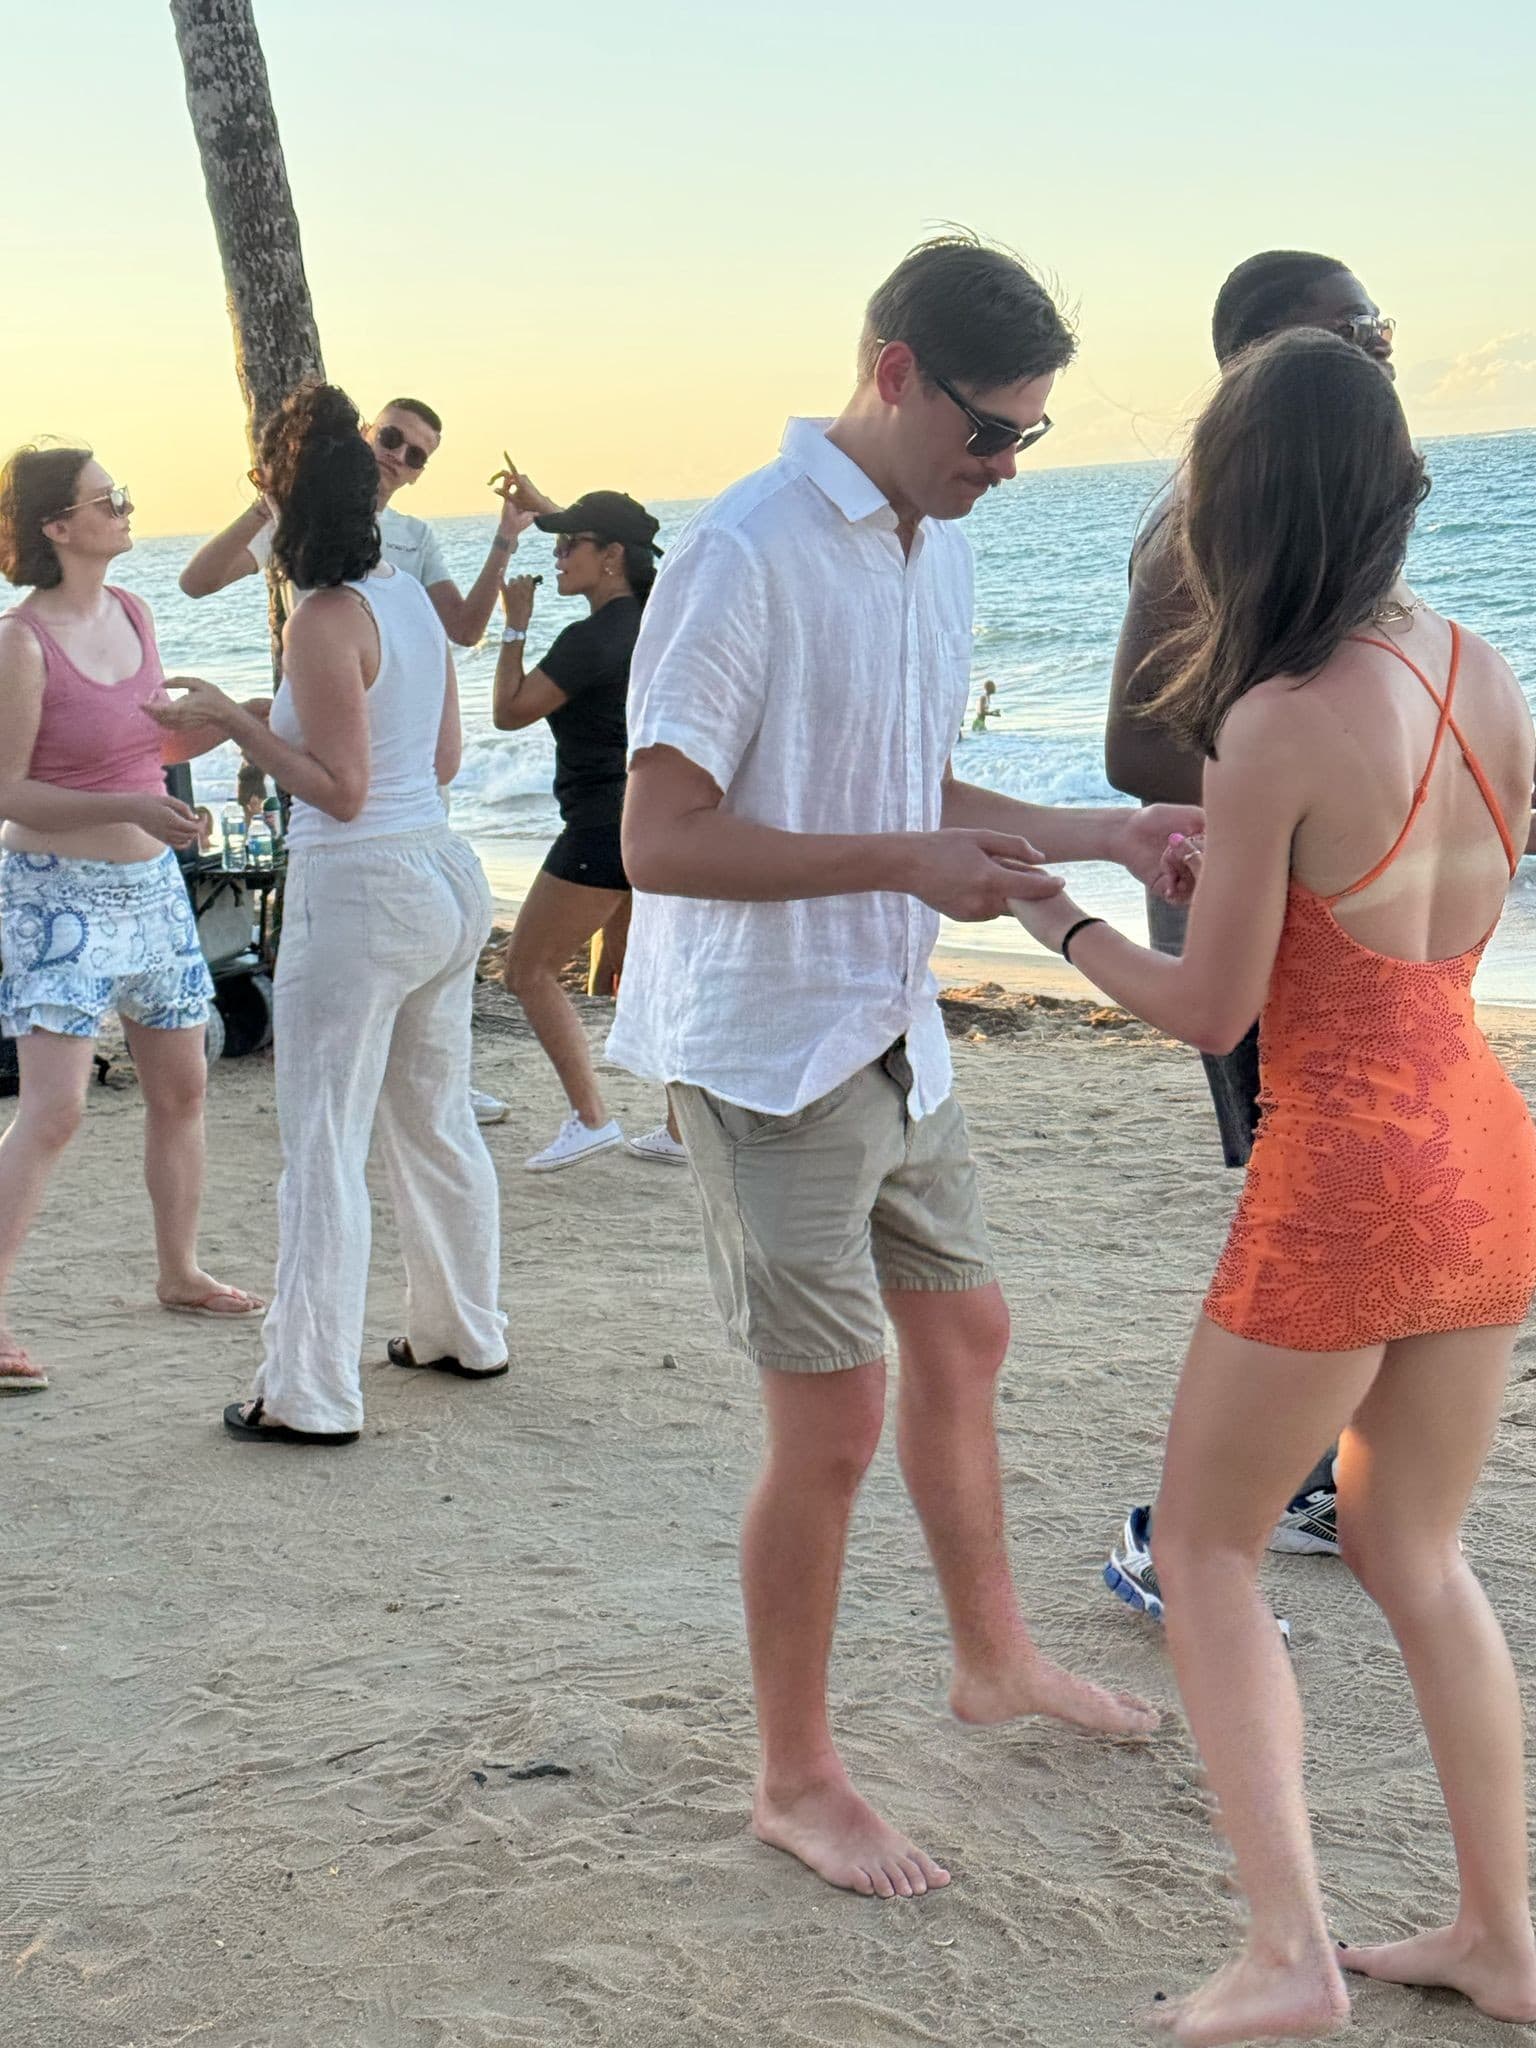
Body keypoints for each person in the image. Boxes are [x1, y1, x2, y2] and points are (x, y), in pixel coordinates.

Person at [608, 234, 1204, 1900]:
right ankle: (794, 1778)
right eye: (992, 431)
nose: (1010, 468)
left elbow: (901, 772)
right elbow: (661, 837)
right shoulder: (742, 550)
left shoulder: (923, 542)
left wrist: (1103, 829)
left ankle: (993, 1657)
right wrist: (899, 866)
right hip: (767, 1042)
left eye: (1029, 436)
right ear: (891, 374)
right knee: (832, 1422)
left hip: (889, 1018)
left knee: (970, 1331)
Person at [1010, 329, 1536, 2044]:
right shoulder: (1484, 662)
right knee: (1415, 1547)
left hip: (1347, 1175)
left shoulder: (1274, 719)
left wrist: (1055, 918)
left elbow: (1210, 1009)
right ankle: (1501, 1935)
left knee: (1216, 1546)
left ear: (1231, 513)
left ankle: (1288, 1951)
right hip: (1482, 1144)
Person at [1101, 251, 1398, 1609]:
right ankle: (1225, 1508)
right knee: (1305, 1210)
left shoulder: (1316, 513)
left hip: (1344, 927)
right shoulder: (1195, 533)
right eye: (1357, 328)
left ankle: (1318, 1481)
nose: (1382, 348)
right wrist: (1277, 797)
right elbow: (1131, 745)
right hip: (1250, 922)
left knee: (1346, 1207)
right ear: (1265, 350)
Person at [149, 383, 507, 1447]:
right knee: (433, 1120)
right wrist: (263, 718)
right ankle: (464, 1329)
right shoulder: (405, 599)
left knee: (324, 1143)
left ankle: (304, 1391)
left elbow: (340, 788)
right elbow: (429, 756)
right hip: (444, 876)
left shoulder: (322, 612)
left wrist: (223, 714)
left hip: (362, 889)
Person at [180, 395, 528, 1126]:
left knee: (346, 1108)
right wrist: (267, 500)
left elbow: (458, 630)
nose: (398, 458)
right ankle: (402, 1083)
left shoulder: (408, 543)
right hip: (331, 730)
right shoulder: (302, 515)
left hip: (386, 781)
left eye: (417, 455)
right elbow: (199, 582)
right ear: (367, 434)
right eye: (393, 439)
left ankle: (414, 1083)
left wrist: (504, 540)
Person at [0, 446, 265, 1393]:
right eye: (105, 499)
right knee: (58, 1109)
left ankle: (180, 1272)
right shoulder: (21, 641)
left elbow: (146, 742)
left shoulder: (135, 612)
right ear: (55, 527)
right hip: (53, 892)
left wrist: (234, 719)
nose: (124, 508)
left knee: (184, 1087)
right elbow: (10, 790)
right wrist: (128, 810)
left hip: (151, 888)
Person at [491, 489, 682, 1169]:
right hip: (657, 818)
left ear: (611, 557)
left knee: (527, 969)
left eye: (572, 543)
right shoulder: (660, 617)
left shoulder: (589, 639)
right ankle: (683, 1131)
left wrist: (515, 624)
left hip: (600, 823)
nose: (557, 553)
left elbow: (510, 711)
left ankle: (590, 1117)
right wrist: (551, 510)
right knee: (646, 972)